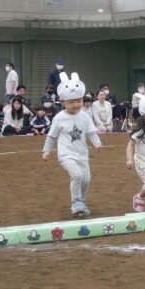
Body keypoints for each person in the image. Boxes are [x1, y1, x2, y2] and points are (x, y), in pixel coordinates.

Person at [42, 72, 102, 217]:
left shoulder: (85, 116)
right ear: (62, 101)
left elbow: (91, 132)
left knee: (86, 179)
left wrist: (97, 143)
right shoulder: (59, 118)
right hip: (66, 155)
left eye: (78, 101)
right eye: (71, 102)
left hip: (82, 155)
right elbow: (51, 137)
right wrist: (46, 151)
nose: (76, 105)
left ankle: (81, 202)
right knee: (77, 175)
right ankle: (76, 202)